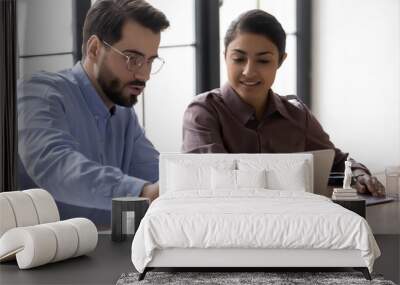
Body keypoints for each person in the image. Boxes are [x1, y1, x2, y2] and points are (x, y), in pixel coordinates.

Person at [182, 9, 385, 197]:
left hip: (294, 228)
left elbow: (338, 162)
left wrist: (359, 175)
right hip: (224, 226)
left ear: (280, 61)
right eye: (238, 59)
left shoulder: (296, 115)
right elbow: (215, 183)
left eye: (263, 61)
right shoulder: (203, 111)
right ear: (225, 56)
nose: (248, 71)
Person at [17, 0, 170, 224]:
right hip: (34, 252)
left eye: (150, 61)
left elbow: (155, 173)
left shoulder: (123, 114)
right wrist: (141, 193)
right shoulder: (38, 93)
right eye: (133, 59)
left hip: (103, 251)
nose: (144, 75)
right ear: (94, 49)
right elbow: (55, 167)